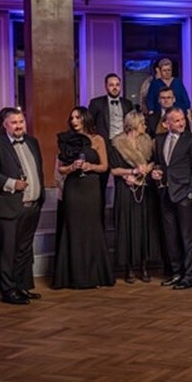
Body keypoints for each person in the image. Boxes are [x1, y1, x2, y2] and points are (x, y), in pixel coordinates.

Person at [0, 107, 46, 305]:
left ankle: (21, 286)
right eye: (14, 122)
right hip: (8, 205)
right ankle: (8, 290)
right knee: (7, 251)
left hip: (32, 205)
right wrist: (11, 183)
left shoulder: (32, 141)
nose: (19, 126)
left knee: (24, 249)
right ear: (5, 125)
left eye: (21, 121)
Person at [53, 107, 113, 289]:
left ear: (85, 118)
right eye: (71, 118)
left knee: (92, 227)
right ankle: (74, 276)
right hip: (73, 189)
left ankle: (95, 275)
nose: (74, 121)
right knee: (73, 229)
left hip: (91, 188)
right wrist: (72, 167)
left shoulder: (98, 139)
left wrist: (90, 167)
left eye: (77, 117)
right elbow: (61, 168)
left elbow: (104, 166)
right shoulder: (67, 140)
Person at [151, 105, 192, 290]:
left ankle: (189, 276)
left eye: (182, 119)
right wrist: (156, 173)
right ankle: (176, 273)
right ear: (166, 124)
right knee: (171, 236)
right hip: (165, 193)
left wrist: (191, 193)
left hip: (184, 194)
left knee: (186, 236)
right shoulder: (159, 140)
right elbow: (160, 164)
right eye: (177, 121)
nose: (182, 123)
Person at [108, 110, 156, 283]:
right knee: (127, 227)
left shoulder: (147, 141)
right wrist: (132, 172)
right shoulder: (117, 143)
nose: (145, 126)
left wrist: (146, 169)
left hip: (144, 188)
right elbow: (114, 169)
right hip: (125, 189)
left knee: (144, 227)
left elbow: (153, 161)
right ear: (134, 124)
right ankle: (129, 267)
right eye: (142, 123)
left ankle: (144, 266)